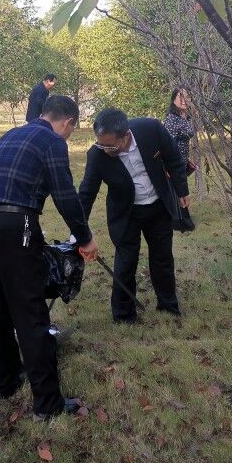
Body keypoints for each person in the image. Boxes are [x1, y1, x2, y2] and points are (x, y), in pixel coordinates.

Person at [0, 94, 99, 420]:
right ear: (68, 122)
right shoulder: (52, 141)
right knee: (32, 314)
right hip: (16, 228)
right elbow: (65, 195)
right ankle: (48, 406)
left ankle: (7, 382)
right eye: (71, 130)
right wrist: (85, 238)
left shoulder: (11, 134)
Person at [79, 108, 189, 323]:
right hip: (126, 213)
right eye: (101, 144)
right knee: (126, 262)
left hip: (157, 206)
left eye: (110, 145)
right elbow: (86, 193)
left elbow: (174, 158)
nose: (105, 149)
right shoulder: (97, 155)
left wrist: (182, 190)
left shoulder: (151, 129)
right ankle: (123, 315)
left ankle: (168, 305)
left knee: (162, 258)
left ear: (125, 136)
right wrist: (79, 230)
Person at [162, 87, 197, 232]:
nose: (184, 99)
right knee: (178, 190)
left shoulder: (184, 117)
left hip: (182, 160)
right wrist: (166, 166)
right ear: (173, 100)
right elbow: (166, 144)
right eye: (180, 96)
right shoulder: (172, 119)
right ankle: (182, 223)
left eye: (186, 96)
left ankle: (181, 221)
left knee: (179, 190)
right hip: (173, 162)